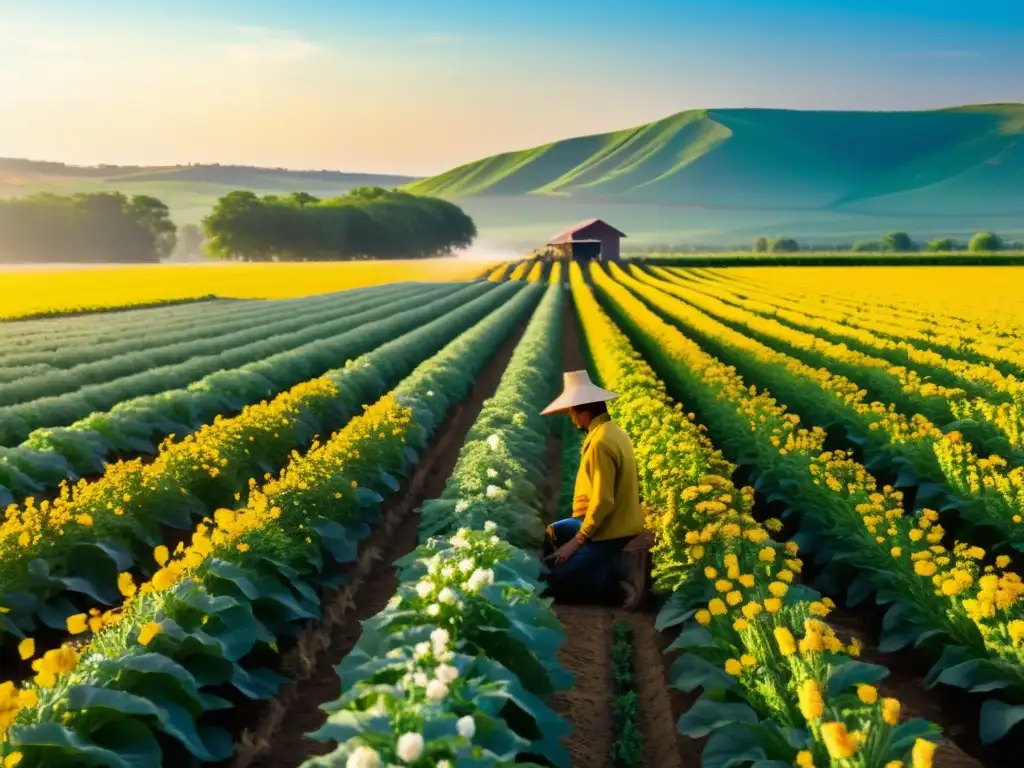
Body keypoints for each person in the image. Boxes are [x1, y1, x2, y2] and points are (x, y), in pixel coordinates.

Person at [539, 369, 646, 606]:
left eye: (572, 412)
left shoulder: (600, 442)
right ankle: (598, 566)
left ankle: (619, 573)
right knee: (552, 533)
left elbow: (603, 501)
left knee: (551, 582)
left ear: (584, 410)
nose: (571, 417)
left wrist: (576, 542)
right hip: (606, 520)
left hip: (608, 529)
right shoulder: (613, 431)